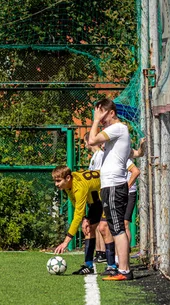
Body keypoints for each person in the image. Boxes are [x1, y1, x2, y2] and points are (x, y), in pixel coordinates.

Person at [87, 98, 132, 281]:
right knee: (115, 228)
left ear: (111, 113)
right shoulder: (117, 132)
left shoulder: (117, 128)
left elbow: (91, 140)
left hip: (114, 185)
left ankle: (124, 270)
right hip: (111, 185)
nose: (100, 119)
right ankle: (121, 268)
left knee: (118, 229)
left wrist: (96, 121)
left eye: (102, 114)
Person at [52, 166, 103, 275]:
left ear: (68, 178)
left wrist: (66, 242)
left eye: (58, 181)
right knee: (89, 229)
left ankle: (114, 265)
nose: (56, 184)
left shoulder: (79, 187)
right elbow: (75, 203)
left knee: (106, 229)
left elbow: (77, 215)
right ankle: (89, 266)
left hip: (106, 194)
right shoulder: (67, 186)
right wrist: (85, 219)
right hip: (95, 199)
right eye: (55, 181)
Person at [84, 132, 107, 264]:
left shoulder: (100, 155)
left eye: (86, 141)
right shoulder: (94, 156)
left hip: (99, 194)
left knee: (99, 224)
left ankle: (102, 251)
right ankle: (99, 251)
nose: (85, 144)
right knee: (96, 224)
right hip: (93, 195)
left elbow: (97, 175)